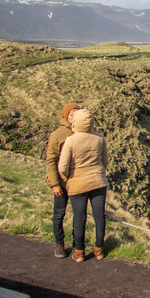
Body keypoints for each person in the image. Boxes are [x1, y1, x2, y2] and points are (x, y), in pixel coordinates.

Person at [58, 108, 109, 262]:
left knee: (79, 218)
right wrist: (98, 172)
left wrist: (68, 178)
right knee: (99, 216)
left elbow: (62, 167)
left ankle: (79, 252)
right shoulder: (99, 138)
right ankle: (99, 250)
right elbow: (105, 161)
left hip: (78, 183)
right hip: (98, 182)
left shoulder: (71, 140)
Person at [45, 103, 80, 258]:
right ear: (66, 116)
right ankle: (59, 244)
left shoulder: (82, 132)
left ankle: (77, 242)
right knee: (59, 213)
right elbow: (51, 160)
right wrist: (54, 184)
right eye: (72, 114)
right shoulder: (58, 134)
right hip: (62, 182)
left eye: (77, 114)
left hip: (78, 182)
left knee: (79, 213)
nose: (74, 117)